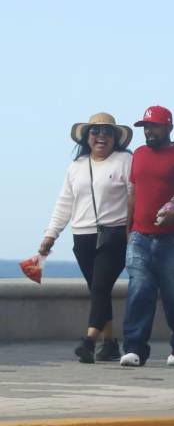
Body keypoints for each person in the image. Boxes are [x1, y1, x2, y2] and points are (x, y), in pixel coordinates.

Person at [39, 113, 132, 364]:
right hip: (82, 237)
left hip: (114, 235)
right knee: (98, 290)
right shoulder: (76, 166)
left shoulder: (124, 160)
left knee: (100, 287)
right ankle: (109, 343)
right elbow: (64, 203)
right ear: (87, 137)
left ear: (116, 137)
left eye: (107, 131)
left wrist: (132, 232)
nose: (101, 136)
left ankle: (89, 341)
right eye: (95, 131)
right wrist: (50, 235)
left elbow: (135, 197)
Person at [120, 106, 174, 368]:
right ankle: (134, 349)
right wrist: (129, 230)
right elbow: (133, 193)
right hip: (139, 237)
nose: (148, 131)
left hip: (172, 239)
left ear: (169, 128)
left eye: (154, 126)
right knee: (139, 290)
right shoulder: (139, 154)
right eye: (145, 126)